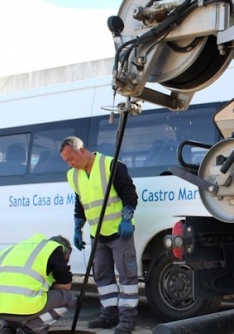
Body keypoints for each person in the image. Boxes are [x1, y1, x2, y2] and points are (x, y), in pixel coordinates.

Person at [59, 136, 139, 334]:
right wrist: (78, 227)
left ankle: (127, 320)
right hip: (98, 234)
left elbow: (130, 194)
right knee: (102, 277)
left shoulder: (111, 165)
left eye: (71, 158)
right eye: (67, 161)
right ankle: (109, 316)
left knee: (127, 278)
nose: (70, 164)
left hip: (120, 232)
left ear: (82, 150)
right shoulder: (73, 175)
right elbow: (81, 203)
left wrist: (127, 219)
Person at [0, 234, 77, 334]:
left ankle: (7, 328)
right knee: (70, 298)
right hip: (21, 308)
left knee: (10, 296)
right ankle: (31, 329)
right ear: (65, 251)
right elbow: (66, 286)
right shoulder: (54, 250)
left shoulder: (12, 249)